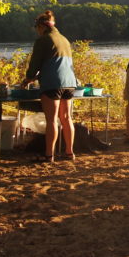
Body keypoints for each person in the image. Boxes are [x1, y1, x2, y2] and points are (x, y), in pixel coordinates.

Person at [21, 10, 78, 162]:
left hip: (52, 83)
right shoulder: (64, 39)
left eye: (37, 28)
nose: (37, 32)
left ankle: (49, 155)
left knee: (52, 120)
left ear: (41, 26)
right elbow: (57, 64)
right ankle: (69, 152)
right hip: (70, 83)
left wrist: (28, 78)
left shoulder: (43, 40)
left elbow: (34, 65)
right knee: (66, 118)